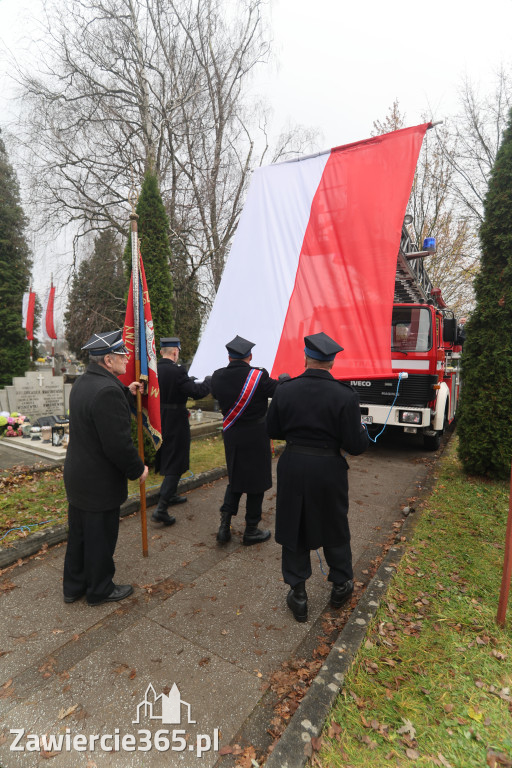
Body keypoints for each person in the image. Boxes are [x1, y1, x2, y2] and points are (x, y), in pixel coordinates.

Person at [266, 332, 369, 622]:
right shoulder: (345, 395)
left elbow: (272, 430)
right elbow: (356, 445)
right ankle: (341, 584)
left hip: (294, 464)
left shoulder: (285, 390)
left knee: (294, 523)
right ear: (332, 362)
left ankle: (298, 593)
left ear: (306, 357)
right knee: (334, 523)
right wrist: (363, 432)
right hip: (328, 468)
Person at [63, 330, 149, 606]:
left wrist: (126, 392)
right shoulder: (107, 391)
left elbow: (99, 408)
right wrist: (137, 469)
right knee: (100, 537)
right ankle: (100, 589)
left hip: (79, 475)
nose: (127, 358)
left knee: (79, 535)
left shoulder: (84, 382)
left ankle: (74, 586)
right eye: (122, 354)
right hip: (99, 481)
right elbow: (118, 445)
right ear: (108, 361)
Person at [211, 335, 278, 545]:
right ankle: (251, 530)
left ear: (229, 357)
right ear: (250, 356)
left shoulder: (218, 376)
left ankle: (224, 526)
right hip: (256, 435)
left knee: (235, 479)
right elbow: (279, 390)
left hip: (232, 434)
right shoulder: (259, 376)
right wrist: (285, 379)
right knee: (256, 483)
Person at [153, 337, 211, 525]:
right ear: (175, 352)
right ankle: (161, 508)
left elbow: (178, 387)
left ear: (161, 352)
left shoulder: (155, 369)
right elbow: (196, 392)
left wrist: (188, 381)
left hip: (160, 417)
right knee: (176, 461)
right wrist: (208, 381)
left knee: (168, 455)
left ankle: (170, 495)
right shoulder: (178, 371)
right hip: (176, 420)